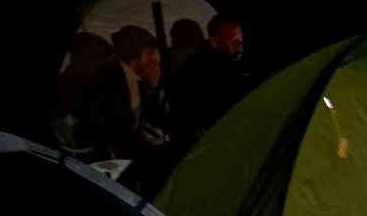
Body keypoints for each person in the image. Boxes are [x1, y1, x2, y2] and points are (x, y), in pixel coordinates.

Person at [78, 25, 173, 166]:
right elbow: (105, 128)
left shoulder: (138, 78)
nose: (155, 58)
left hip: (131, 148)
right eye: (150, 52)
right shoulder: (107, 78)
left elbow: (152, 116)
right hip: (111, 157)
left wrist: (153, 87)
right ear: (135, 55)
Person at [173, 15, 255, 143]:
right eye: (234, 39)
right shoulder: (197, 71)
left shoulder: (230, 63)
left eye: (241, 39)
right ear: (215, 42)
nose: (240, 45)